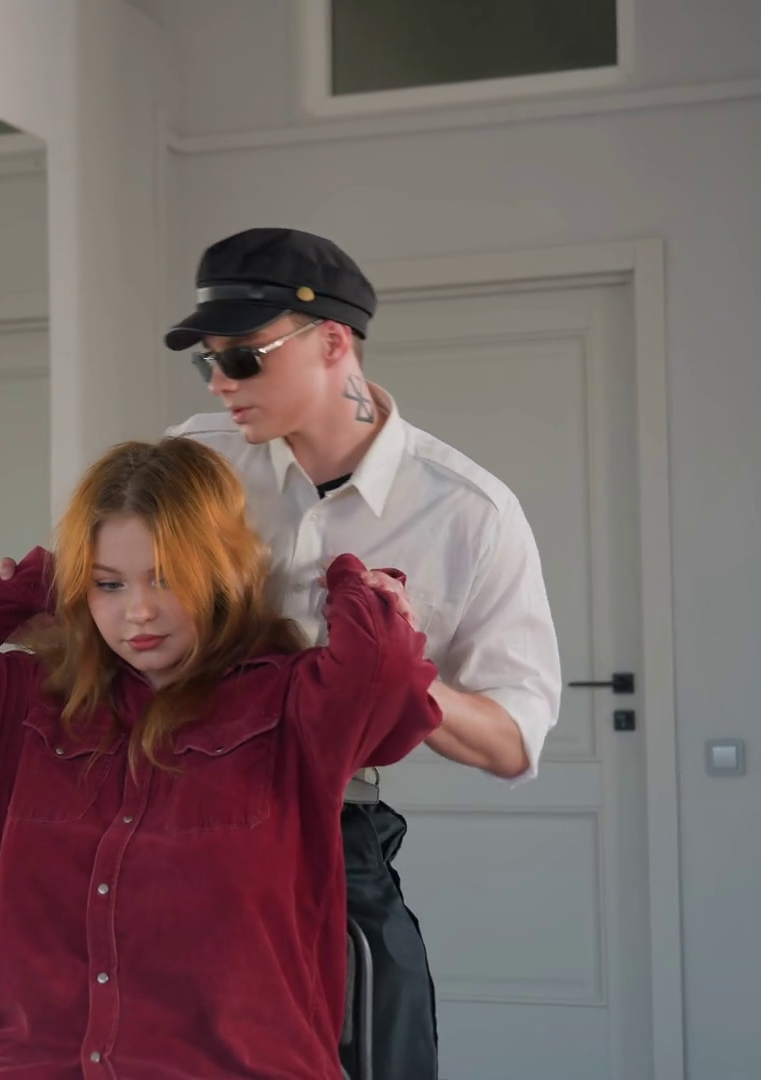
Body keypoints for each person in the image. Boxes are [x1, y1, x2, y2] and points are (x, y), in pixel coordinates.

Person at [0, 436, 444, 1079]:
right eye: (108, 584)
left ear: (222, 571)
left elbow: (386, 675)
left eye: (169, 577)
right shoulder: (27, 708)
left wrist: (348, 580)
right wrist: (34, 586)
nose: (139, 612)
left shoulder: (292, 703)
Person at [162, 227, 566, 1078]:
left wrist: (402, 675)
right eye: (206, 362)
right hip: (170, 819)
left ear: (334, 341)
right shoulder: (191, 466)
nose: (220, 381)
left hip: (334, 842)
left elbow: (512, 740)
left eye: (241, 356)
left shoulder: (470, 513)